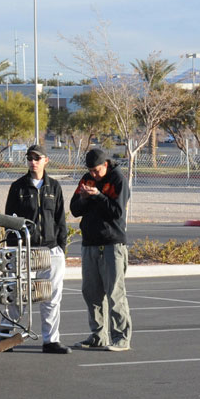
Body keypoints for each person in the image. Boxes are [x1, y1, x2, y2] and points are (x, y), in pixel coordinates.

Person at [0, 145, 70, 354]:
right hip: (25, 249)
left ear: (46, 160)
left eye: (37, 158)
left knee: (51, 297)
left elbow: (60, 220)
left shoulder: (54, 187)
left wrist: (61, 248)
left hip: (50, 250)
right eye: (30, 158)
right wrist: (14, 249)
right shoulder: (18, 187)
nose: (33, 162)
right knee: (17, 294)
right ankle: (7, 336)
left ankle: (51, 340)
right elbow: (9, 220)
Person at [69, 147, 132, 352]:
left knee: (114, 293)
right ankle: (98, 335)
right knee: (91, 293)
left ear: (105, 165)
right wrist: (85, 198)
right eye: (90, 171)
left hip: (112, 243)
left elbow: (117, 212)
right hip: (90, 243)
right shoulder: (87, 179)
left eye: (96, 171)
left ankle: (121, 337)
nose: (93, 175)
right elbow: (75, 209)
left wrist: (97, 196)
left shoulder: (118, 180)